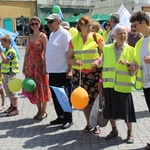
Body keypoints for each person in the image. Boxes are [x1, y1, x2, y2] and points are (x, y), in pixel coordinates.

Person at [67, 15, 105, 134]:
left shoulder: (96, 37)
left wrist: (98, 61)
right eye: (86, 25)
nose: (89, 27)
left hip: (95, 74)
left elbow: (106, 53)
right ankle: (89, 123)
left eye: (90, 25)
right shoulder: (73, 40)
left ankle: (96, 125)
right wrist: (74, 61)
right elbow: (68, 58)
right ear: (80, 26)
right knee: (84, 101)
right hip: (80, 76)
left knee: (95, 101)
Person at [99, 26, 136, 143]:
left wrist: (129, 64)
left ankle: (130, 133)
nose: (122, 36)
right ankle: (114, 130)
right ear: (114, 36)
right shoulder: (106, 49)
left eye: (124, 33)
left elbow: (134, 70)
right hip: (109, 84)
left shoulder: (131, 50)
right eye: (120, 33)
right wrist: (100, 82)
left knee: (127, 111)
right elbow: (103, 67)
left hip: (124, 85)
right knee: (110, 110)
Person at [45, 14, 73, 129]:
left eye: (51, 22)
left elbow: (70, 53)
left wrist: (70, 70)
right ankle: (60, 116)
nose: (49, 24)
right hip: (53, 71)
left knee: (64, 96)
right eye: (48, 22)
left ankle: (68, 118)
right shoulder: (52, 34)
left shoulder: (64, 34)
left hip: (62, 70)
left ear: (58, 22)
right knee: (56, 96)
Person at [22, 16, 51, 120]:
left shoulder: (43, 36)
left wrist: (45, 66)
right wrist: (24, 66)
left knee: (42, 87)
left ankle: (44, 111)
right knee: (34, 88)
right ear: (30, 26)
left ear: (40, 24)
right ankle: (39, 109)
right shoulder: (29, 37)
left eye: (36, 23)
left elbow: (47, 52)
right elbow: (26, 53)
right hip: (30, 66)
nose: (34, 25)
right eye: (32, 24)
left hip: (40, 65)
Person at [130, 10, 150, 149]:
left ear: (144, 22)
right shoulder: (139, 42)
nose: (134, 28)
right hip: (146, 83)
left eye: (136, 25)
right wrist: (133, 67)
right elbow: (138, 63)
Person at [0, 34, 19, 116]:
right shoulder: (7, 51)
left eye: (3, 43)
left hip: (11, 74)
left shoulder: (11, 51)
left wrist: (0, 53)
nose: (2, 45)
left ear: (8, 42)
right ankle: (11, 106)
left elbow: (6, 61)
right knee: (8, 91)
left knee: (12, 91)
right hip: (6, 74)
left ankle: (15, 108)